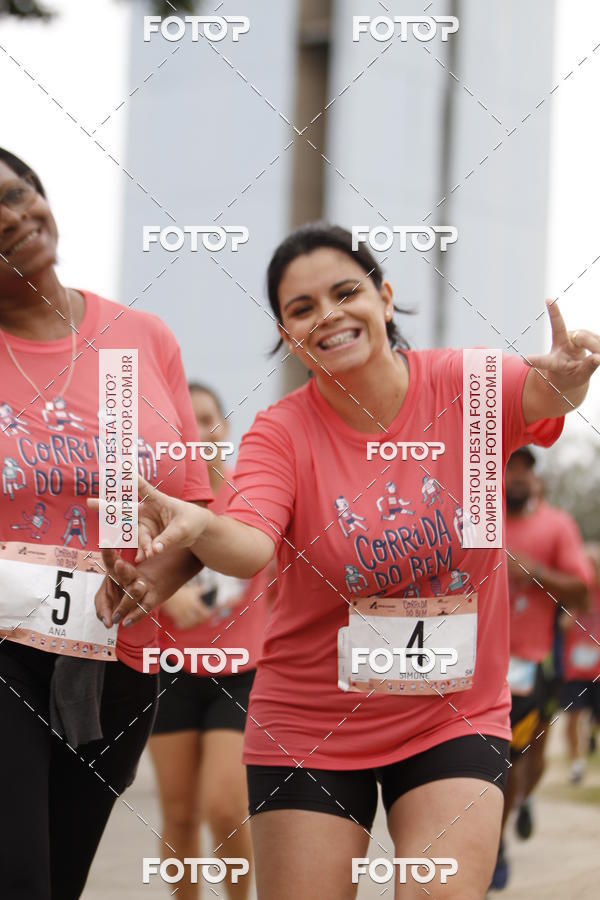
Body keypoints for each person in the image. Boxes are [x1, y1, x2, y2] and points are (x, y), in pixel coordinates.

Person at [95, 223, 600, 900]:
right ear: (289, 335)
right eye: (301, 309)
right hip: (310, 723)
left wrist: (569, 382)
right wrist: (200, 523)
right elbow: (249, 544)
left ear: (385, 298)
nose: (327, 315)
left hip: (451, 711)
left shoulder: (467, 385)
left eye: (344, 292)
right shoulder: (282, 430)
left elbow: (542, 398)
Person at [0, 148, 212, 899]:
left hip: (116, 661)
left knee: (59, 878)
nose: (12, 217)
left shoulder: (143, 336)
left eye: (18, 193)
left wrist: (147, 584)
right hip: (5, 651)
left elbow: (196, 511)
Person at [149, 383, 269, 900]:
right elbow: (121, 569)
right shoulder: (155, 500)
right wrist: (162, 597)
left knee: (225, 807)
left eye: (207, 419)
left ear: (225, 430)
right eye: (185, 423)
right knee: (178, 814)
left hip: (240, 674)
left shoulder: (252, 498)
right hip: (169, 670)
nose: (198, 431)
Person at [491, 447, 593, 890]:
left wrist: (535, 573)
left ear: (534, 479)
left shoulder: (556, 525)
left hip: (531, 665)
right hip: (468, 665)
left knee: (517, 757)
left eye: (525, 469)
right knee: (487, 759)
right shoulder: (476, 523)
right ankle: (489, 840)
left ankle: (504, 826)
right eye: (508, 466)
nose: (516, 476)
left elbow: (582, 590)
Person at [561, 542, 600, 784]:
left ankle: (593, 733)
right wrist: (575, 606)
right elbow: (563, 626)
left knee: (595, 719)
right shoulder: (574, 594)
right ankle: (576, 764)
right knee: (572, 717)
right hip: (575, 670)